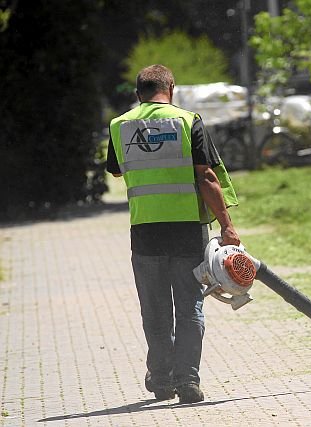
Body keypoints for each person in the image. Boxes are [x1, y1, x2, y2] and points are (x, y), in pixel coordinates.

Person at [107, 64, 240, 404]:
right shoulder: (186, 121)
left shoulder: (120, 125)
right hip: (186, 231)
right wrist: (226, 225)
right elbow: (207, 176)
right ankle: (187, 381)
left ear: (138, 93)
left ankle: (162, 378)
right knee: (189, 306)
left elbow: (117, 171)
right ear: (171, 89)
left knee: (154, 310)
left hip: (145, 231)